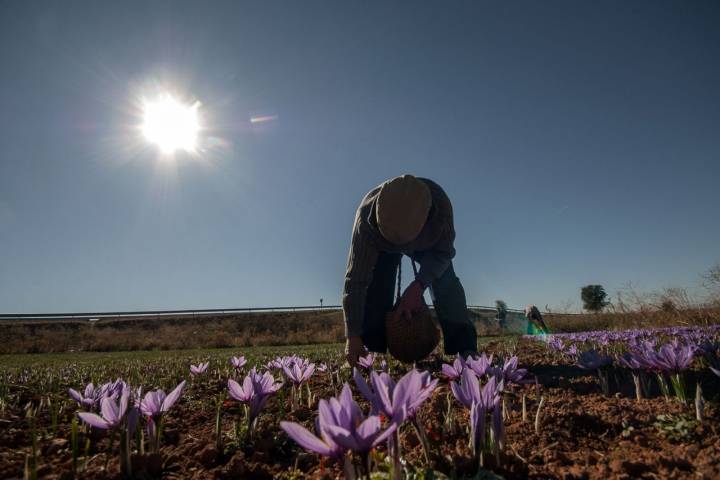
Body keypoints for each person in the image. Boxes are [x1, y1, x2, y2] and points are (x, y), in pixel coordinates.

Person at [342, 174, 478, 366]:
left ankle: (465, 346)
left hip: (426, 242)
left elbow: (443, 254)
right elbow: (355, 281)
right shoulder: (365, 222)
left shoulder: (440, 209)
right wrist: (353, 335)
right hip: (382, 244)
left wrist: (418, 286)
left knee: (446, 282)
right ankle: (369, 347)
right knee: (376, 283)